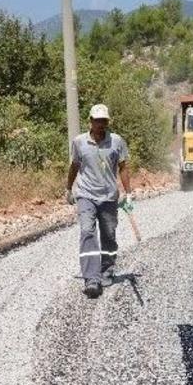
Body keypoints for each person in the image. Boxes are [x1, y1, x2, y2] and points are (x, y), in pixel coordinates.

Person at [66, 104, 132, 298]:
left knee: (109, 235)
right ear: (90, 121)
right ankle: (91, 279)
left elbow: (123, 167)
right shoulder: (79, 142)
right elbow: (74, 166)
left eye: (104, 121)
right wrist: (68, 189)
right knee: (87, 231)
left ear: (107, 122)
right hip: (86, 194)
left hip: (109, 197)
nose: (101, 124)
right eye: (97, 121)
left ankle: (107, 270)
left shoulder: (117, 141)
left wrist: (128, 193)